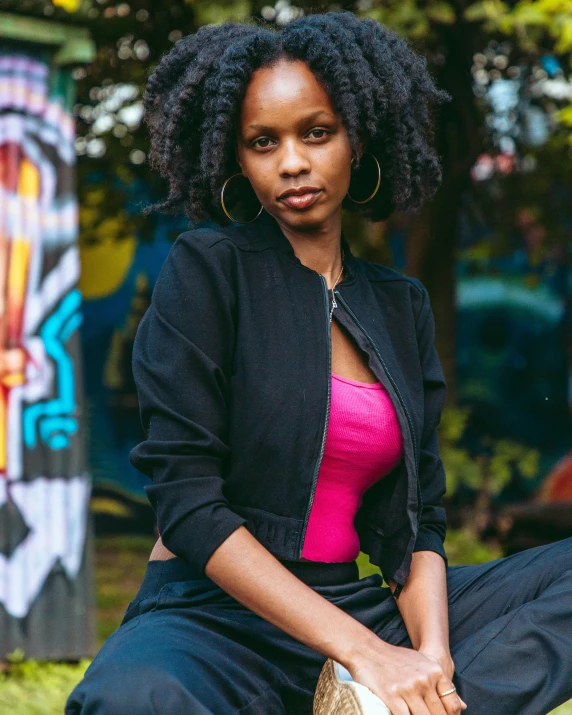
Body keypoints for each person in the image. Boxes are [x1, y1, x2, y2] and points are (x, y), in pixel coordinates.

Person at [66, 12, 572, 715]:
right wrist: (366, 652)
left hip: (352, 598)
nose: (292, 163)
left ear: (356, 138)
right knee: (132, 699)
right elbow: (188, 505)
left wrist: (429, 660)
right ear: (237, 159)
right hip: (212, 614)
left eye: (316, 132)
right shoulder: (209, 273)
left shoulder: (400, 306)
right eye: (262, 142)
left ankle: (396, 704)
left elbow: (417, 526)